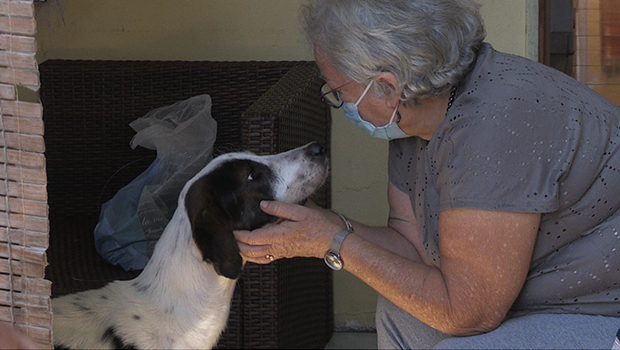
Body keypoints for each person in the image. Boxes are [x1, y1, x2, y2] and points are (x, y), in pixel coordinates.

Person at [234, 0, 620, 348]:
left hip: (606, 316)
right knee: (402, 313)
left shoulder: (495, 125)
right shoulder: (415, 122)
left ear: (386, 87)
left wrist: (332, 243)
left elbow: (470, 313)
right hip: (542, 301)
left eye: (337, 90)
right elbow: (413, 248)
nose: (340, 103)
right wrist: (323, 225)